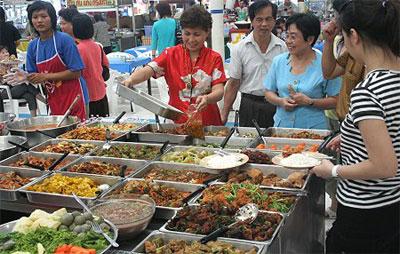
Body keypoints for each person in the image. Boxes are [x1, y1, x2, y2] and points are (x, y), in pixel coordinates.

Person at [312, 1, 400, 253]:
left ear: (354, 36)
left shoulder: (367, 91)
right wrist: (351, 136)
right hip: (393, 202)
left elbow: (384, 166)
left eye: (343, 35)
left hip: (364, 210)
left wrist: (334, 170)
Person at [123, 5, 226, 126]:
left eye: (196, 34)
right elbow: (149, 69)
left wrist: (207, 99)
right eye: (187, 34)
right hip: (177, 121)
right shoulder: (170, 54)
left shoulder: (214, 58)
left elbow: (219, 91)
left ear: (207, 32)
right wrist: (131, 80)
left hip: (208, 122)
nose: (191, 39)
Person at [264, 13, 341, 130]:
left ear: (310, 39)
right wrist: (281, 101)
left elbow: (336, 100)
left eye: (293, 37)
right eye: (287, 35)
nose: (288, 41)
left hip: (314, 130)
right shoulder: (278, 61)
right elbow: (268, 92)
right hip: (282, 128)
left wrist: (311, 102)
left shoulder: (325, 64)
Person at [221, 0, 287, 128]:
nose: (264, 24)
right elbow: (233, 83)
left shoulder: (283, 48)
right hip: (249, 105)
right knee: (248, 145)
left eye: (268, 19)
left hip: (276, 105)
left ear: (274, 21)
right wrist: (224, 112)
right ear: (252, 21)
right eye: (259, 19)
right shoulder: (240, 48)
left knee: (274, 144)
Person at [25, 1, 86, 121]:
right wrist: (23, 77)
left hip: (74, 97)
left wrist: (45, 76)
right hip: (53, 98)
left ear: (52, 18)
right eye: (35, 17)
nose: (39, 21)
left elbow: (77, 72)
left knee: (78, 134)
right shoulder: (33, 46)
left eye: (44, 16)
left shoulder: (64, 40)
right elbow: (33, 75)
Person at [73, 14, 109, 117]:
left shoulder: (77, 49)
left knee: (90, 130)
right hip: (101, 92)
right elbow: (106, 65)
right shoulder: (97, 46)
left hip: (86, 96)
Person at [0, 46, 40, 117]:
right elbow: (4, 81)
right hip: (3, 92)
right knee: (25, 86)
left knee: (29, 95)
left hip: (14, 89)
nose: (6, 54)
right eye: (3, 53)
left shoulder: (11, 65)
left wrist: (14, 66)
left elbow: (18, 79)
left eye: (6, 52)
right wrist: (4, 68)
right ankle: (43, 100)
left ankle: (33, 118)